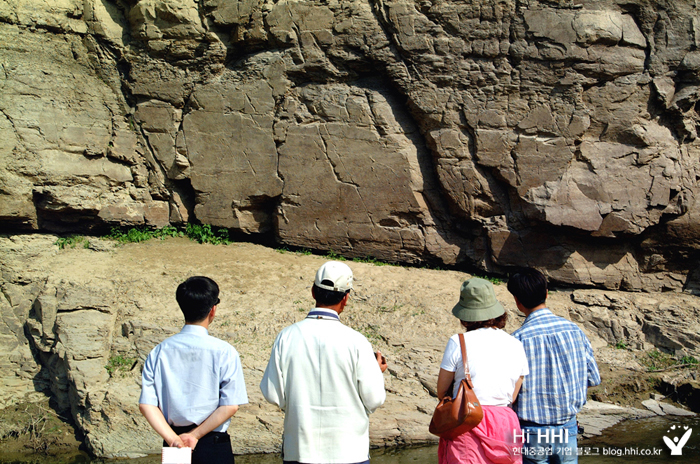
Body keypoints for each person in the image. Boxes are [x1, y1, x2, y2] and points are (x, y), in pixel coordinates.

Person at [260, 261, 388, 464]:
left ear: (313, 291)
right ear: (345, 298)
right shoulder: (356, 341)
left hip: (300, 451)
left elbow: (272, 393)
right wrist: (376, 372)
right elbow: (374, 399)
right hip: (349, 453)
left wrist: (296, 406)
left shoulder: (287, 337)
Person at [139, 276, 248, 464]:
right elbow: (230, 405)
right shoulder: (225, 351)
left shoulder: (159, 351)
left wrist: (174, 439)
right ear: (213, 310)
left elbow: (147, 404)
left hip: (174, 443)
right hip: (212, 443)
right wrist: (194, 435)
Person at [507, 268, 601, 464]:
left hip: (531, 430)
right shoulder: (574, 330)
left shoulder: (517, 340)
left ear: (517, 301)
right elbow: (593, 379)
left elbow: (509, 392)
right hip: (567, 427)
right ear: (547, 294)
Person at [436, 277, 529, 464]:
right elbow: (513, 394)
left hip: (467, 420)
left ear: (465, 315)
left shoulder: (458, 341)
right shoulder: (516, 344)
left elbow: (441, 390)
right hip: (505, 422)